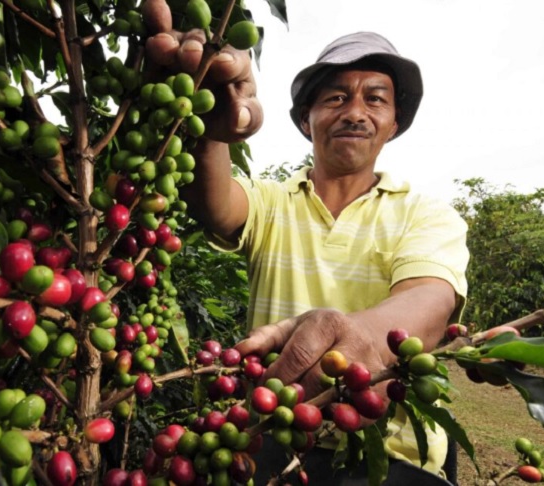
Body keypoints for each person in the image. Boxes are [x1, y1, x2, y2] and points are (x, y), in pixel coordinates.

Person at [143, 4, 469, 484]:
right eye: (336, 98)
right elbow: (216, 206)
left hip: (392, 451)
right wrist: (211, 126)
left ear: (394, 123)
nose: (355, 112)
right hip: (274, 433)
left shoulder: (426, 214)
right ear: (304, 120)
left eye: (375, 99)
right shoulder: (273, 203)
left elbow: (431, 298)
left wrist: (358, 336)